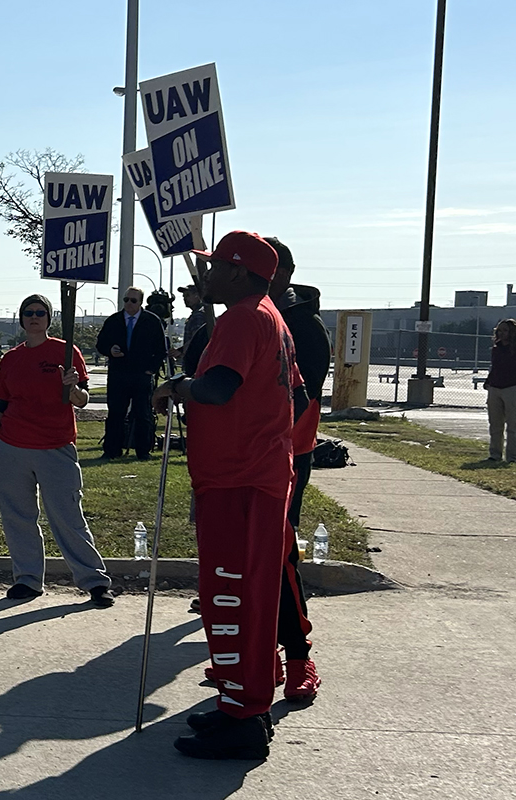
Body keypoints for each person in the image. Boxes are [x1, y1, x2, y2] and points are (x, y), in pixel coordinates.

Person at [153, 231, 308, 761]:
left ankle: (244, 717)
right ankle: (243, 705)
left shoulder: (244, 317)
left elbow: (218, 388)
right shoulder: (270, 315)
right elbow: (299, 392)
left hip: (240, 481)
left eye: (214, 265)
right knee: (250, 596)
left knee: (231, 596)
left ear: (239, 272)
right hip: (252, 475)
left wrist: (177, 386)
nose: (204, 273)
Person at [0, 295, 114, 607]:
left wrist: (72, 389)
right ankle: (28, 580)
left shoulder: (65, 350)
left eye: (40, 313)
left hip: (55, 446)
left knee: (68, 516)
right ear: (21, 319)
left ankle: (95, 582)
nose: (34, 317)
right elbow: (1, 402)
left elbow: (83, 400)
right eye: (28, 313)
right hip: (12, 446)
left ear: (49, 318)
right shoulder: (11, 359)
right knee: (18, 517)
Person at [265, 236, 331, 702]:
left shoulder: (304, 328)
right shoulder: (238, 319)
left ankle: (297, 654)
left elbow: (299, 396)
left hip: (286, 454)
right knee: (247, 561)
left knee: (279, 554)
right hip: (237, 459)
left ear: (283, 273)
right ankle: (256, 653)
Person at [96, 287, 167, 460]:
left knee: (143, 413)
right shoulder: (114, 321)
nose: (129, 303)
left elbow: (161, 349)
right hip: (118, 374)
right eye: (126, 300)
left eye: (133, 300)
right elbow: (101, 343)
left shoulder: (151, 321)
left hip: (141, 375)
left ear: (140, 302)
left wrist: (151, 369)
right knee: (115, 413)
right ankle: (112, 450)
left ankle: (143, 451)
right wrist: (110, 350)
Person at [483, 318, 516, 463]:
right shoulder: (496, 348)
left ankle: (512, 457)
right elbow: (494, 368)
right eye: (499, 330)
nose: (501, 333)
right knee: (495, 425)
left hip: (512, 390)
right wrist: (488, 382)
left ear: (512, 332)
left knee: (512, 426)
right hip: (494, 389)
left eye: (505, 330)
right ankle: (495, 455)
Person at [170, 284, 209, 375]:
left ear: (197, 296)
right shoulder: (200, 314)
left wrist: (180, 351)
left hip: (195, 363)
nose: (185, 299)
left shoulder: (199, 316)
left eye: (188, 296)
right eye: (184, 296)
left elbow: (196, 340)